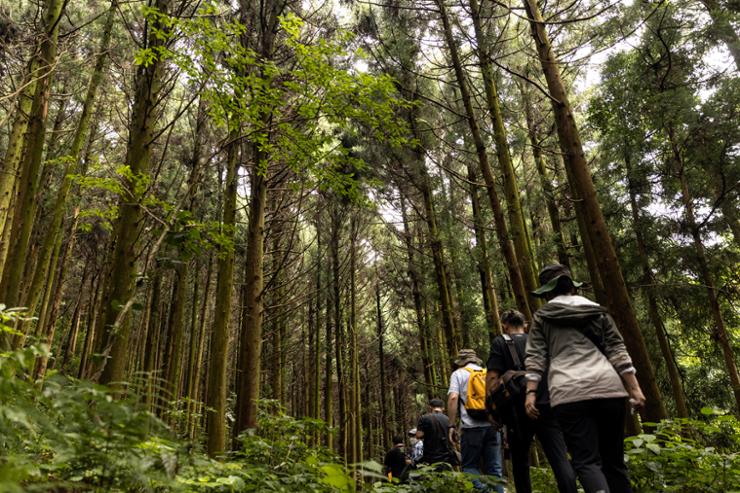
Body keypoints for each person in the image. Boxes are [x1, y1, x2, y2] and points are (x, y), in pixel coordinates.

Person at [525, 264, 646, 493]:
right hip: (609, 389)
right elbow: (617, 350)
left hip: (568, 392)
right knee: (614, 462)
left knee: (587, 461)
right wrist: (635, 389)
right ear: (572, 285)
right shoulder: (597, 311)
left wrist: (530, 393)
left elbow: (535, 358)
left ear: (547, 291)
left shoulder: (542, 316)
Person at [487, 309, 577, 493]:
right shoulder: (540, 341)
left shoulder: (500, 342)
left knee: (520, 461)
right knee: (559, 457)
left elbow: (492, 378)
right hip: (547, 404)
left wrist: (490, 408)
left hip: (516, 410)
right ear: (525, 325)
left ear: (505, 325)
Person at [448, 348, 504, 493]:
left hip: (470, 427)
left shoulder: (458, 374)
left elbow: (453, 398)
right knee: (494, 468)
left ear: (461, 362)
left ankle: (484, 491)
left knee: (469, 467)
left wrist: (451, 425)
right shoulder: (488, 373)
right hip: (492, 425)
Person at [416, 398, 455, 468]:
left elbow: (419, 435)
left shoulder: (424, 418)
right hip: (446, 457)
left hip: (430, 456)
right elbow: (453, 438)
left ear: (430, 407)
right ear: (443, 408)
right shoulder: (449, 419)